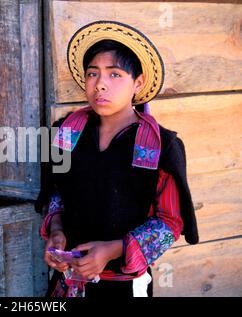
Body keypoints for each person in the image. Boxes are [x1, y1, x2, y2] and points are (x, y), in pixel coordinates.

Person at [38, 21, 199, 297]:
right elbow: (58, 191)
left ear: (138, 83)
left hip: (122, 287)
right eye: (92, 73)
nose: (100, 84)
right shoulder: (65, 133)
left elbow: (169, 223)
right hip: (67, 281)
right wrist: (56, 229)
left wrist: (114, 249)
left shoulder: (160, 146)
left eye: (114, 74)